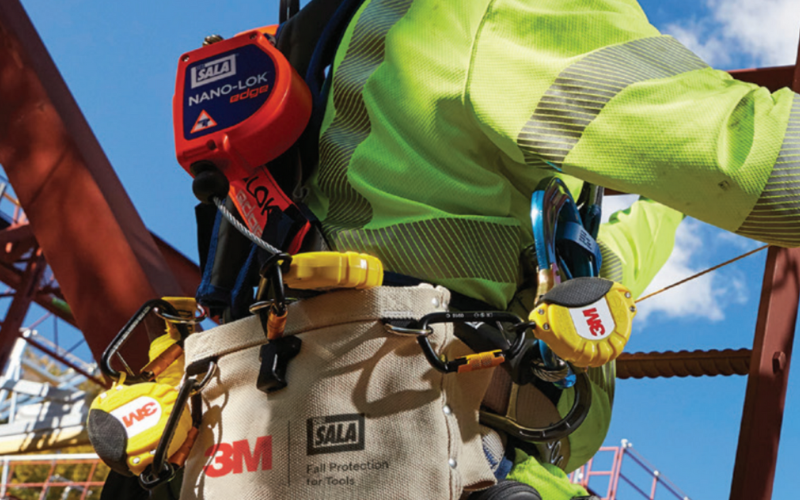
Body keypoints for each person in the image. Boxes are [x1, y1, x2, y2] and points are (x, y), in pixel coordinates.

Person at [297, 0, 799, 497]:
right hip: (458, 459)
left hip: (291, 446)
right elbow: (762, 168)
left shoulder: (332, 38)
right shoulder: (520, 9)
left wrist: (669, 201)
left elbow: (604, 259)